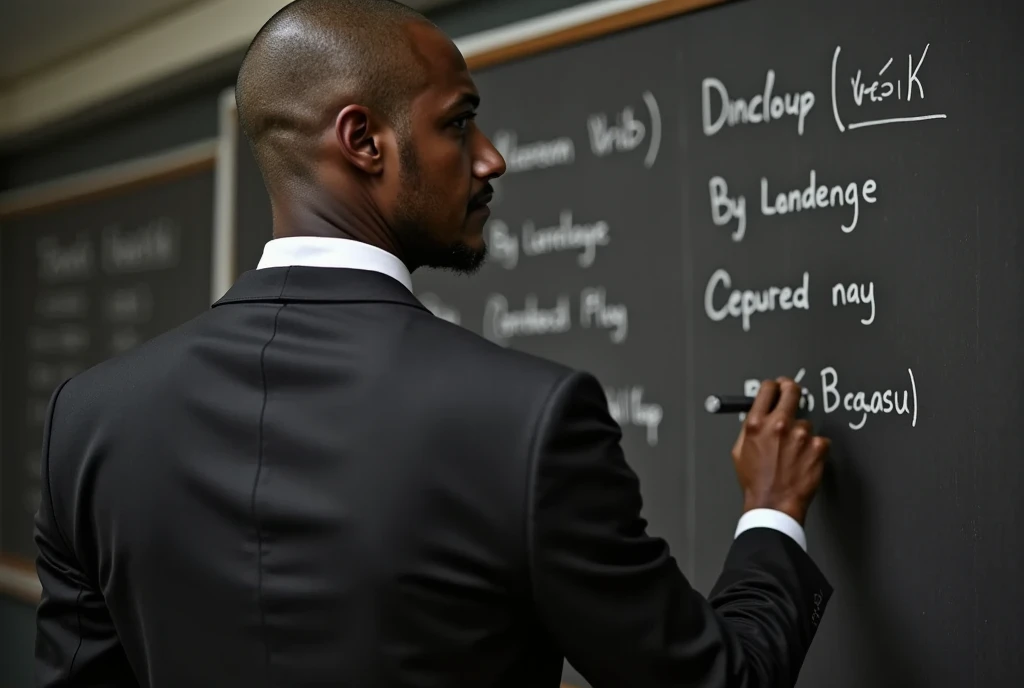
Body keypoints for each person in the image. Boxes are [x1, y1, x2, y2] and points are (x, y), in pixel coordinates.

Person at [33, 0, 833, 686]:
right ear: (363, 141)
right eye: (458, 122)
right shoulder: (528, 421)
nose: (491, 157)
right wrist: (771, 515)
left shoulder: (91, 420)